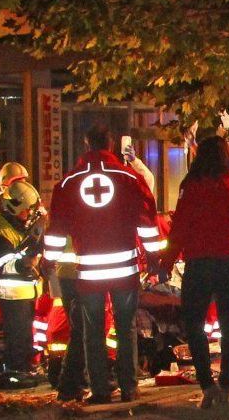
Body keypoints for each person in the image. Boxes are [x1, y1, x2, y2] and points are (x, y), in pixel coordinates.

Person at [43, 126, 159, 404]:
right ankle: (129, 387)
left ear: (86, 144)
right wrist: (154, 259)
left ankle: (100, 390)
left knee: (92, 331)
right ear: (110, 143)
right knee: (125, 327)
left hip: (89, 272)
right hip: (125, 269)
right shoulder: (130, 178)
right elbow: (147, 222)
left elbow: (56, 228)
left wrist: (48, 261)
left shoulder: (69, 183)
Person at [161, 134, 229, 407]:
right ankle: (227, 382)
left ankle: (207, 385)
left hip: (200, 261)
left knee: (194, 323)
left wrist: (166, 264)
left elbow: (179, 228)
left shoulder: (191, 186)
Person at [0, 161, 46, 388]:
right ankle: (14, 374)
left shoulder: (16, 222)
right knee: (17, 337)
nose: (30, 215)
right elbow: (4, 265)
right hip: (11, 292)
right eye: (27, 211)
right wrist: (26, 260)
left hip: (25, 290)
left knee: (25, 335)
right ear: (13, 208)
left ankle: (25, 368)